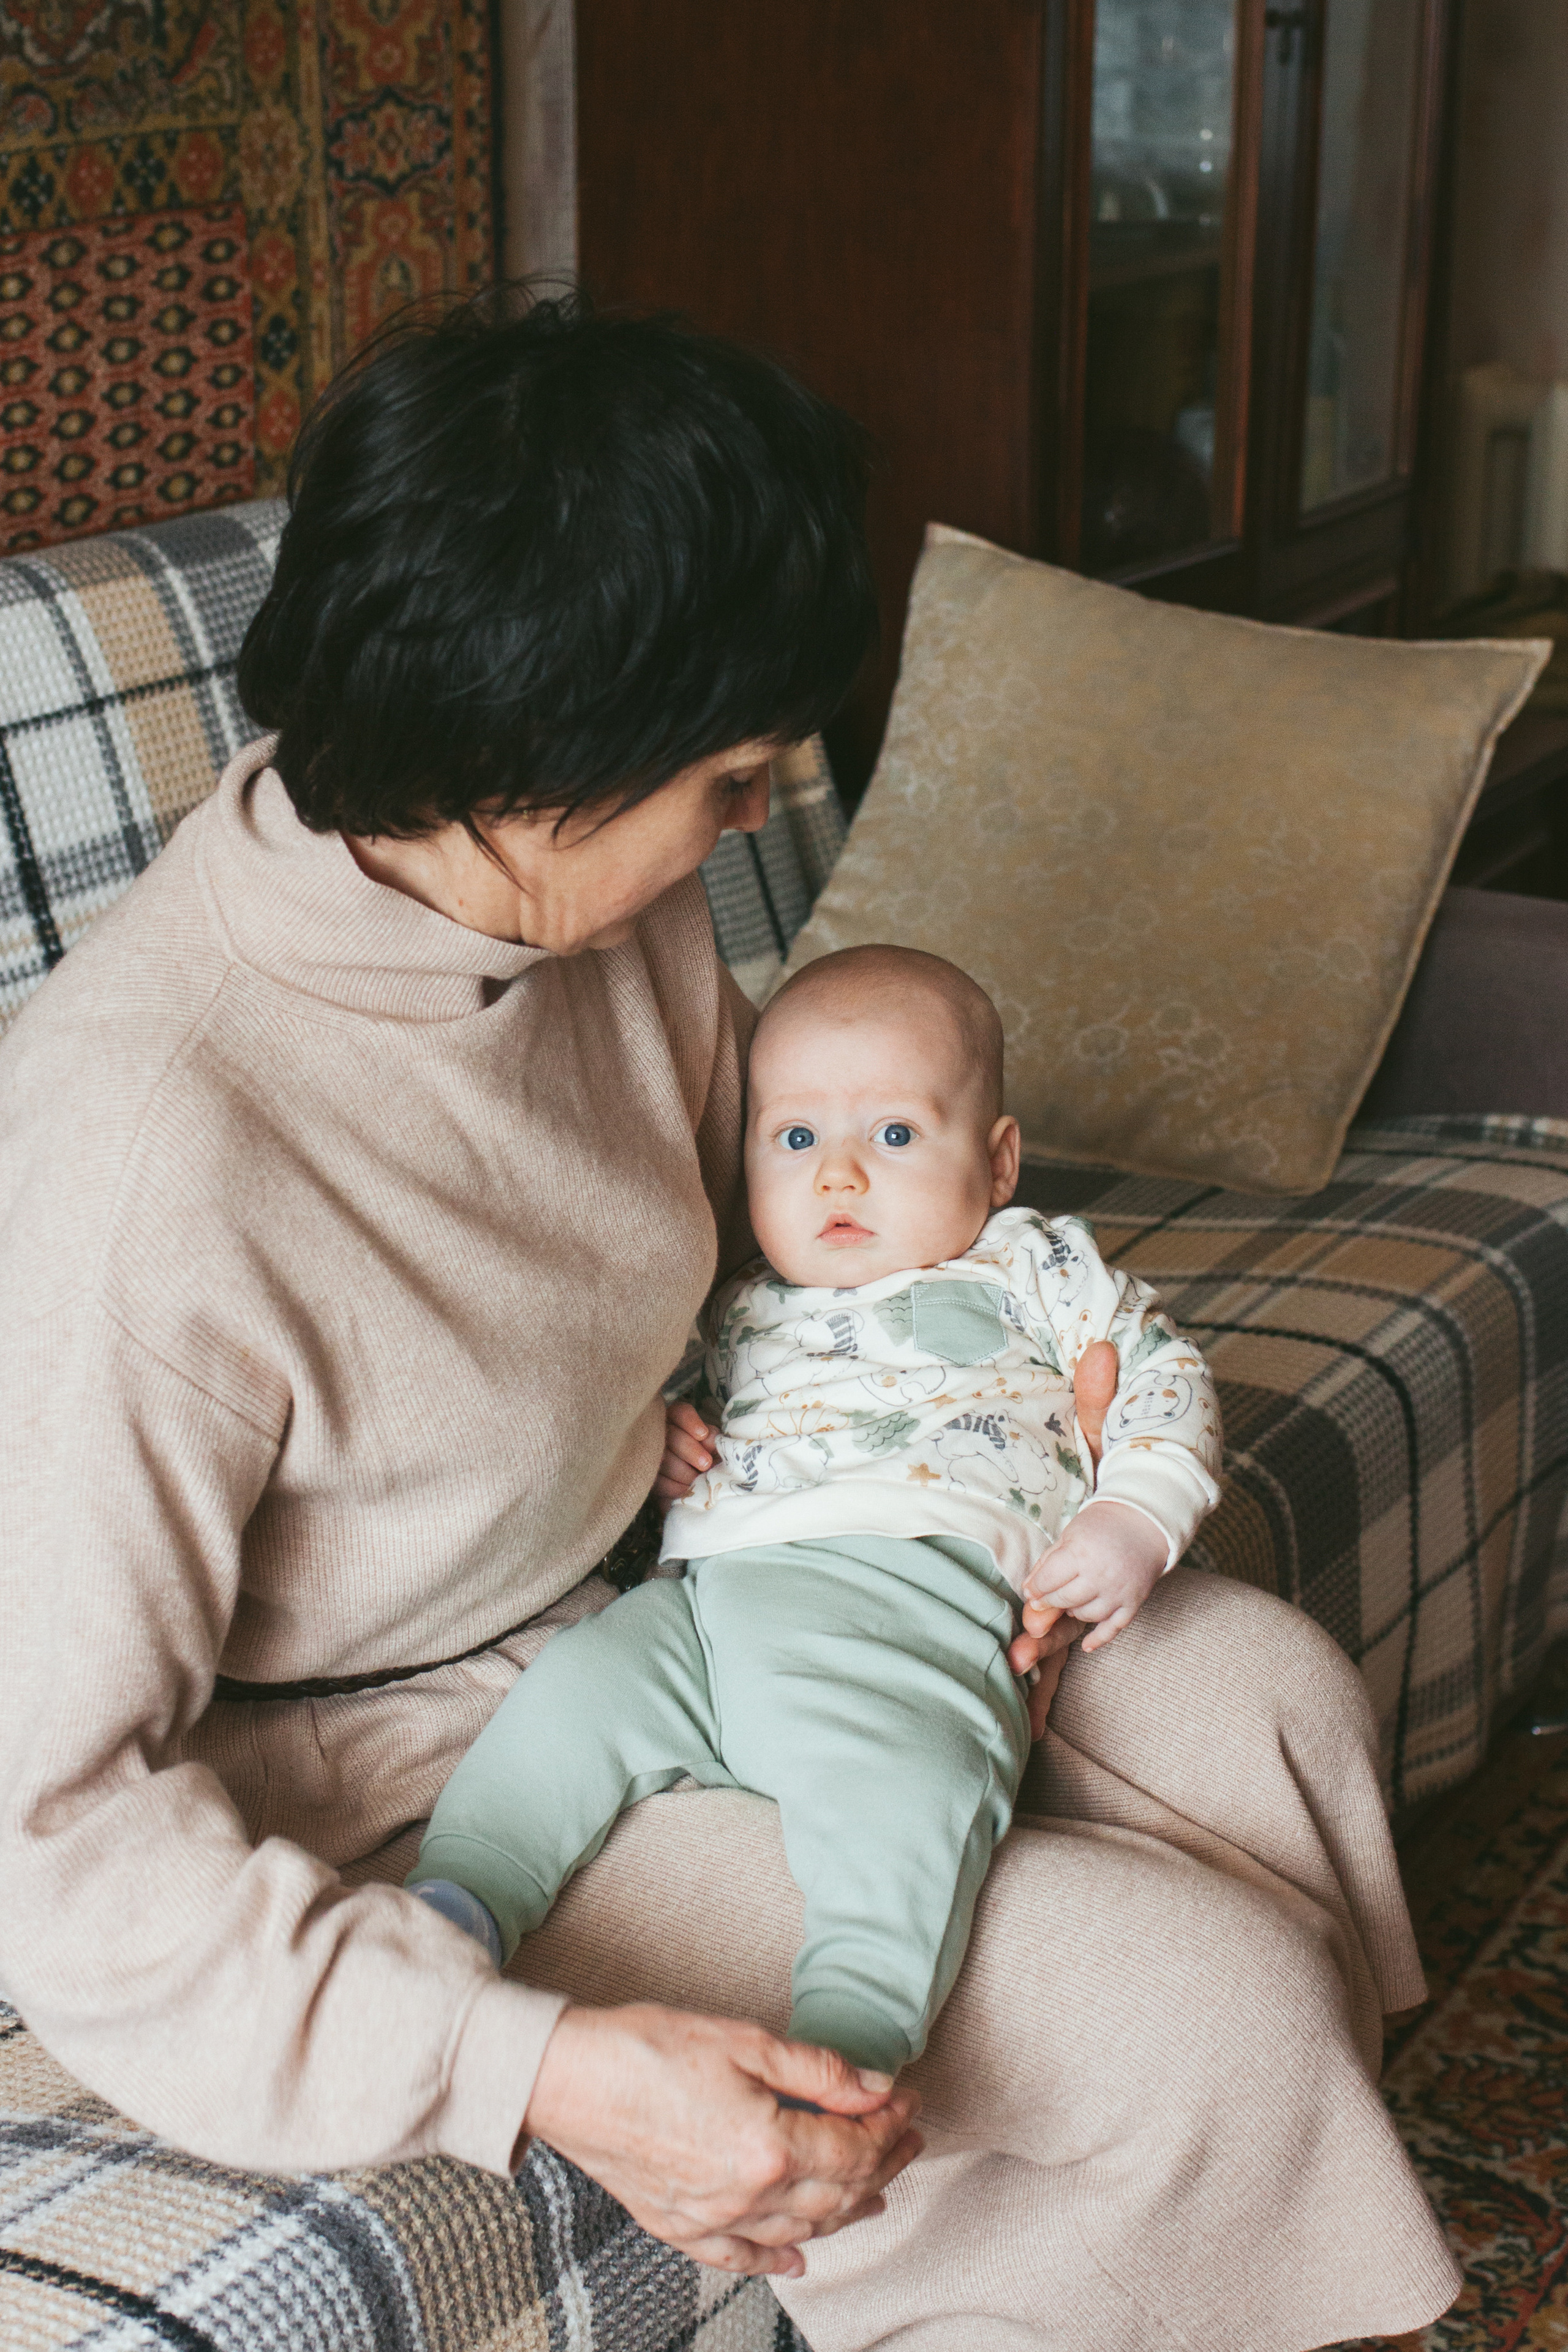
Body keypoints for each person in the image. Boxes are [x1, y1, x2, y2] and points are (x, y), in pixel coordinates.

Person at [0, 290, 1460, 2349]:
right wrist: (529, 2063)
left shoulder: (590, 893)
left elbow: (774, 1248)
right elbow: (51, 1833)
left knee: (1266, 1700)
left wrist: (1009, 1461)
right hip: (441, 1754)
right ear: (538, 767)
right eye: (731, 768)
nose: (766, 810)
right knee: (1186, 2011)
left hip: (715, 1564)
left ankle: (1238, 2276)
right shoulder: (146, 1158)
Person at [405, 944, 1224, 2084]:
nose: (838, 1176)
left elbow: (1161, 1377)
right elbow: (657, 1421)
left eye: (892, 1136)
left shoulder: (1030, 1263)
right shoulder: (741, 1301)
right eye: (796, 1141)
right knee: (570, 1699)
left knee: (910, 1801)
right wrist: (663, 1439)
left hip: (912, 1612)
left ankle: (846, 2046)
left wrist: (1134, 1515)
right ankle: (460, 1900)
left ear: (996, 1163)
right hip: (700, 1615)